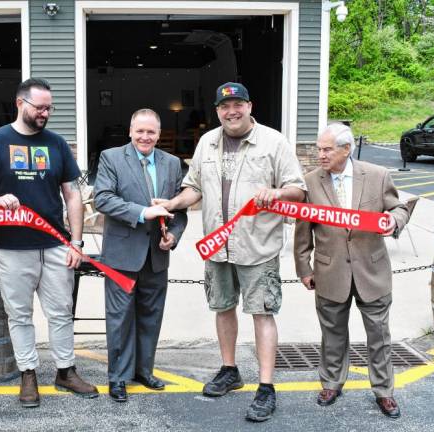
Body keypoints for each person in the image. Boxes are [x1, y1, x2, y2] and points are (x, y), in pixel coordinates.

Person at [157, 82, 306, 422]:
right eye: (225, 106)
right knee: (222, 308)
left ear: (250, 106)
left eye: (238, 104)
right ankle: (230, 370)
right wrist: (170, 204)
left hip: (257, 246)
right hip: (217, 245)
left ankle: (266, 386)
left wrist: (277, 193)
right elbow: (193, 188)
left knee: (262, 313)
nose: (231, 111)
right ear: (217, 111)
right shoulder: (207, 142)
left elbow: (298, 189)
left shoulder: (274, 142)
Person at [0, 78, 98, 408]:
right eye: (39, 107)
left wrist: (77, 242)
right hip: (11, 246)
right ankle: (28, 374)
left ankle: (66, 371)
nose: (45, 113)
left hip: (55, 244)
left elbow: (72, 194)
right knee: (20, 315)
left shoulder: (56, 144)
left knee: (61, 312)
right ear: (20, 103)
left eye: (49, 108)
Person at [293, 123, 409, 418]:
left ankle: (384, 391)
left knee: (379, 336)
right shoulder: (310, 181)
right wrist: (303, 267)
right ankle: (332, 383)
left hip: (372, 272)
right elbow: (302, 231)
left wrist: (394, 221)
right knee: (332, 334)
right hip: (329, 272)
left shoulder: (378, 176)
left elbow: (400, 208)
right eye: (319, 148)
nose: (320, 154)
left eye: (327, 149)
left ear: (347, 149)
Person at [94, 109, 188, 402]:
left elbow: (180, 210)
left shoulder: (172, 163)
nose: (145, 137)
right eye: (140, 131)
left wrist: (174, 236)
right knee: (120, 317)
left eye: (151, 132)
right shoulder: (111, 158)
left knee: (151, 315)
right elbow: (103, 199)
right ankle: (118, 377)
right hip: (121, 253)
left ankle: (143, 371)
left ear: (159, 134)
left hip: (157, 255)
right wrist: (143, 213)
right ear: (130, 131)